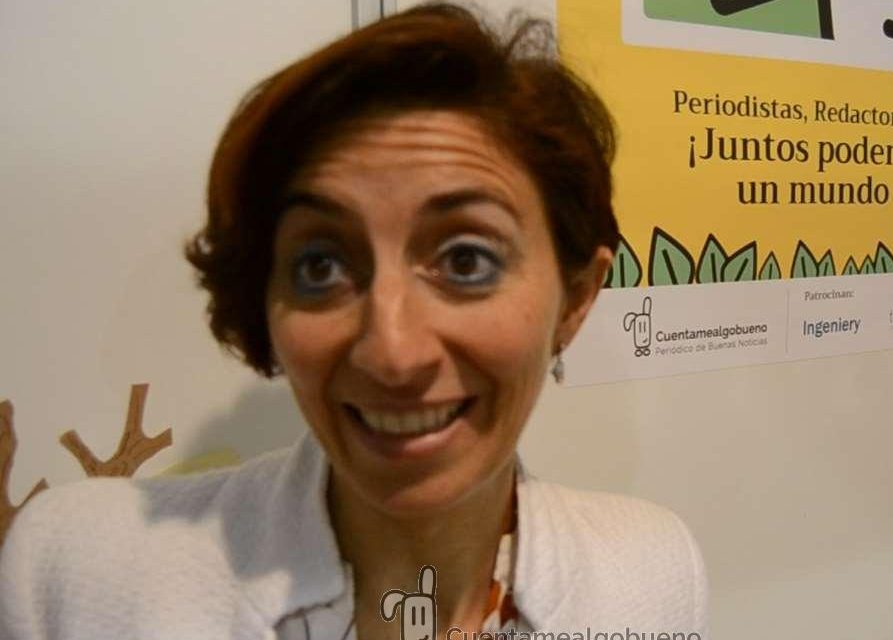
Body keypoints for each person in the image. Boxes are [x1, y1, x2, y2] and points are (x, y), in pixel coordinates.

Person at [0, 4, 708, 639]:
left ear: (576, 298)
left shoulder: (650, 577)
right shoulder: (77, 575)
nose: (391, 353)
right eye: (320, 266)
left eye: (466, 260)